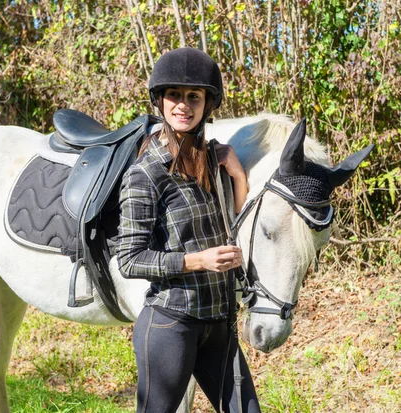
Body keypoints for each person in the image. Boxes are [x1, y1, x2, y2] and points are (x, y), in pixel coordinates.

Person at [117, 47, 261, 413]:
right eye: (174, 96)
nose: (183, 105)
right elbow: (130, 260)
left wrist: (239, 176)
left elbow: (235, 223)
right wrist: (199, 261)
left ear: (207, 104)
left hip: (219, 325)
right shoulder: (145, 174)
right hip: (171, 326)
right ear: (160, 102)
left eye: (193, 96)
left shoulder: (213, 161)